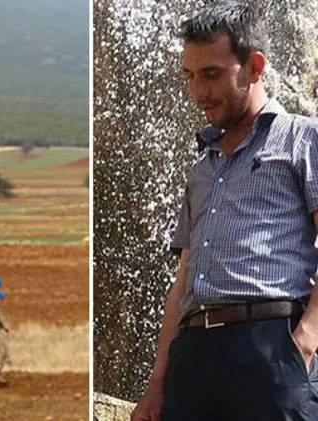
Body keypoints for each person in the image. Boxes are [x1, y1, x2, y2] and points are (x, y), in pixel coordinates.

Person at [131, 2, 318, 420]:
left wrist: (304, 342)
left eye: (212, 74)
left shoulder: (304, 140)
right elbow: (182, 282)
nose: (199, 92)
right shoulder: (201, 168)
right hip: (193, 357)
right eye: (191, 76)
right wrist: (157, 384)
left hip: (270, 345)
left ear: (254, 66)